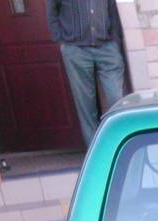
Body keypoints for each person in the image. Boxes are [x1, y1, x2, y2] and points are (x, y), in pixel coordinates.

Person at [46, 0, 125, 145]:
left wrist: (115, 41)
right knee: (86, 106)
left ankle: (121, 145)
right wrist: (61, 40)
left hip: (107, 46)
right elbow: (52, 13)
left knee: (117, 100)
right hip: (76, 49)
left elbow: (112, 10)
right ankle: (96, 151)